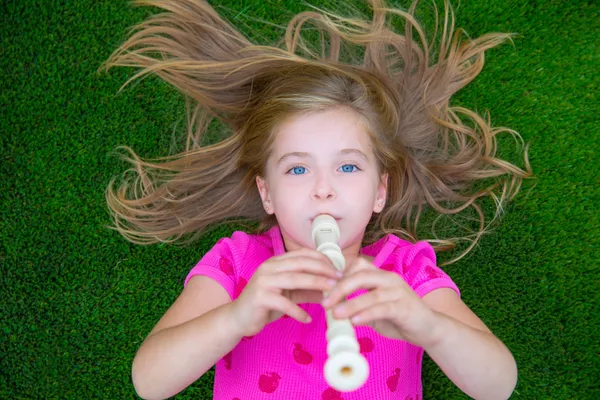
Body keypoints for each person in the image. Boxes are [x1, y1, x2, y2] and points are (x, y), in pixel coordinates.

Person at [101, 0, 532, 399]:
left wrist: (430, 328)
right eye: (297, 169)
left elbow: (497, 385)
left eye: (347, 167)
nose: (322, 188)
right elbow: (149, 381)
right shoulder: (238, 263)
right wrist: (234, 318)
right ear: (266, 193)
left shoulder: (405, 272)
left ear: (380, 190)